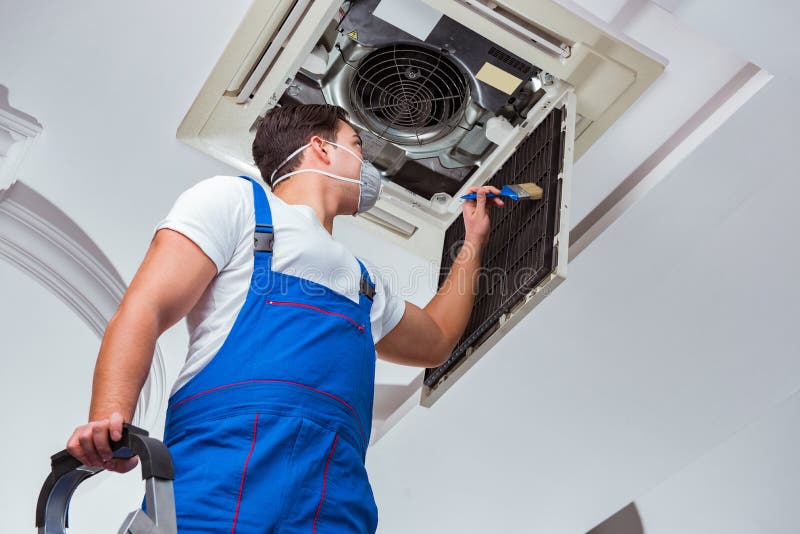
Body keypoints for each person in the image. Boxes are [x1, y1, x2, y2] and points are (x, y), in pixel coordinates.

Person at [66, 104, 503, 533]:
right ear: (321, 148)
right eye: (357, 145)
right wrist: (111, 418)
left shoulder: (367, 283)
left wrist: (474, 242)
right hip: (224, 468)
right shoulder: (236, 202)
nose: (368, 167)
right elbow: (147, 306)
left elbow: (437, 339)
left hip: (335, 490)